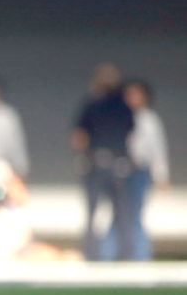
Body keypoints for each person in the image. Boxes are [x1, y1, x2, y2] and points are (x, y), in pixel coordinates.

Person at [71, 64, 134, 260]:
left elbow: (79, 136)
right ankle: (108, 255)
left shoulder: (105, 104)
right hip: (108, 163)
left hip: (105, 163)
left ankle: (106, 255)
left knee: (111, 213)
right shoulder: (119, 105)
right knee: (113, 214)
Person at [101, 80, 169, 260]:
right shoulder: (115, 116)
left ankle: (140, 257)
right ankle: (107, 257)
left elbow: (157, 149)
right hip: (118, 169)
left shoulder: (149, 119)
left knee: (136, 213)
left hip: (139, 170)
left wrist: (161, 175)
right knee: (117, 214)